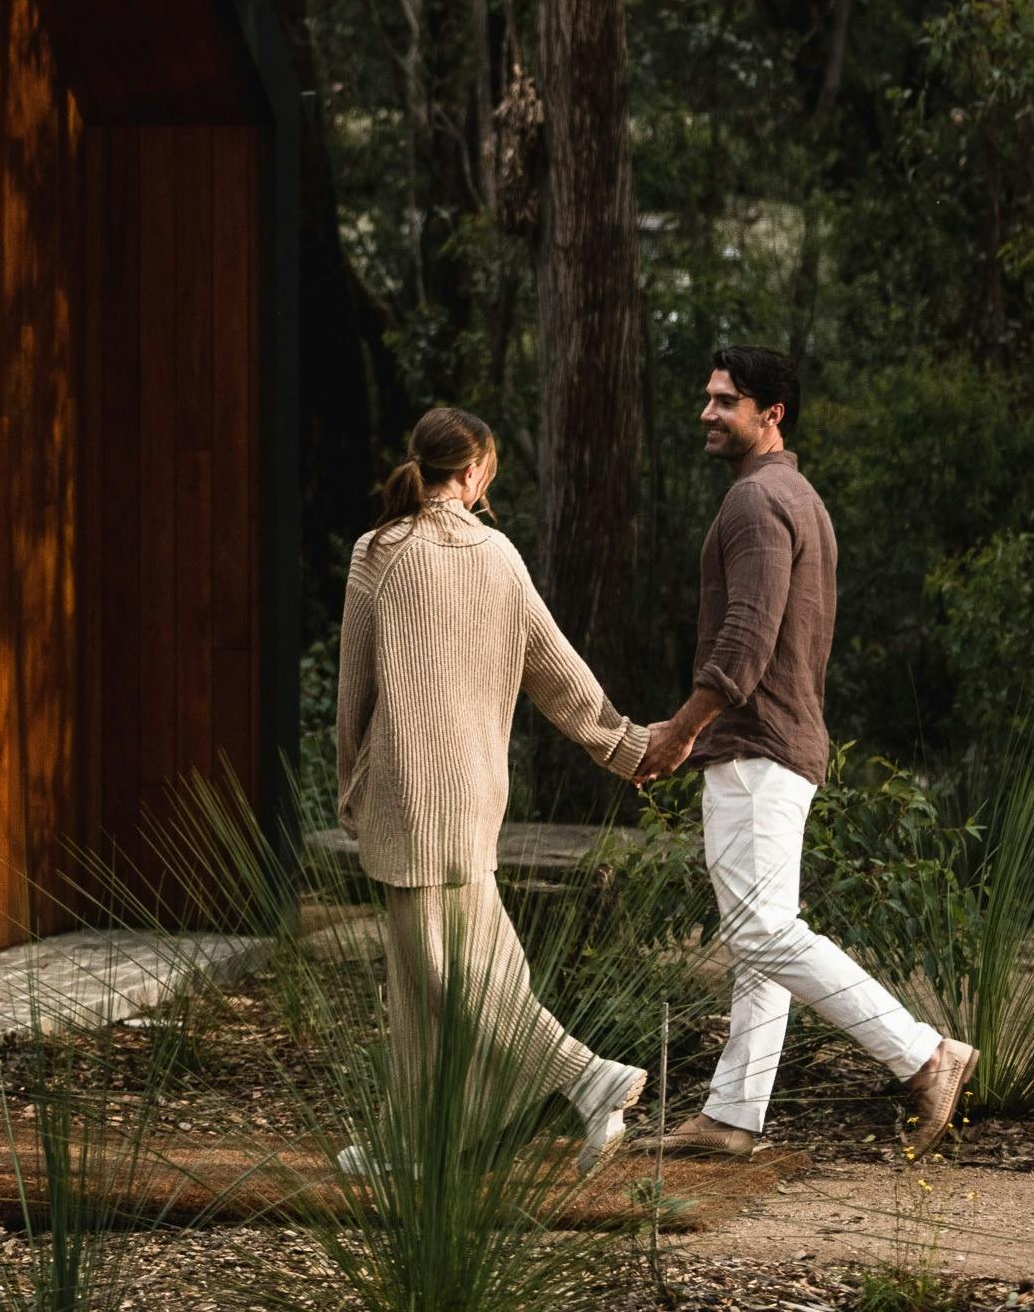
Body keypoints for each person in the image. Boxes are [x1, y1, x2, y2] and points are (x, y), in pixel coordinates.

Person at [639, 346, 977, 1160]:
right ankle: (732, 1115)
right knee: (766, 931)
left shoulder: (756, 503)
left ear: (771, 413)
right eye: (708, 397)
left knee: (759, 932)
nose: (707, 413)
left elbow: (745, 642)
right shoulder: (798, 497)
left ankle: (923, 1053)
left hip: (758, 745)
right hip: (784, 743)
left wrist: (681, 728)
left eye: (726, 401)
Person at [335, 405, 674, 1177]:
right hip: (475, 798)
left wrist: (349, 787)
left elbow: (352, 690)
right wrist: (629, 749)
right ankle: (415, 1141)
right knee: (437, 980)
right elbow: (562, 677)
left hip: (405, 797)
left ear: (422, 464)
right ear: (477, 470)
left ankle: (588, 1077)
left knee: (449, 973)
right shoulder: (502, 557)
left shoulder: (378, 551)